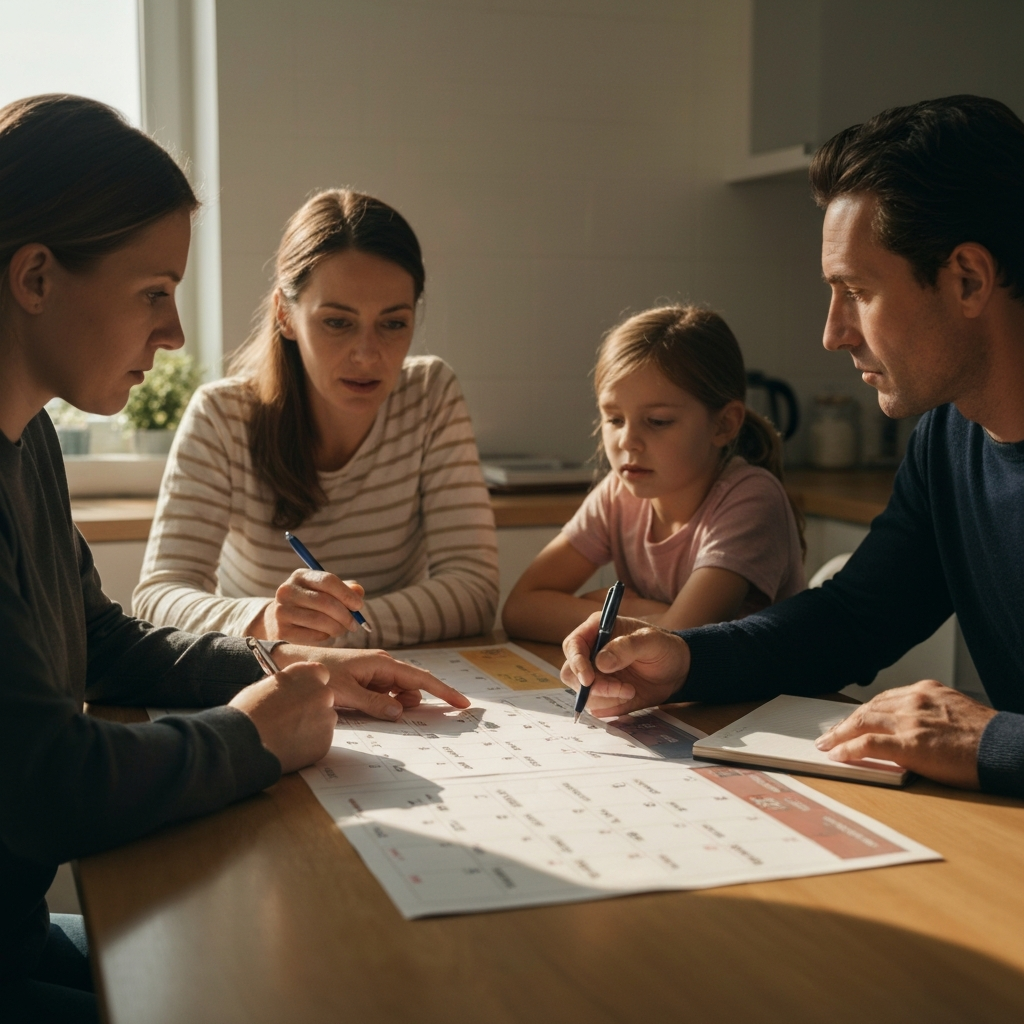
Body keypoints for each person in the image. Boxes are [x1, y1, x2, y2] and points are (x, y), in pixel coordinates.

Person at [0, 95, 469, 1023]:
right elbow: (46, 784)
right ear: (36, 277)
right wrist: (253, 733)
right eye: (153, 291)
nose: (173, 333)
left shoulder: (30, 440)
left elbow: (102, 637)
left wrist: (291, 667)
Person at [560, 95, 1024, 799]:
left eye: (856, 291)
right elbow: (852, 620)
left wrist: (993, 740)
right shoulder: (948, 440)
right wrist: (684, 659)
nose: (833, 333)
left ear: (967, 279)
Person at [132, 189, 499, 649]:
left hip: (395, 681)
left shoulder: (429, 395)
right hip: (273, 679)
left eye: (393, 323)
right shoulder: (222, 416)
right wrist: (265, 621)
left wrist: (336, 630)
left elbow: (474, 590)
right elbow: (157, 595)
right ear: (286, 316)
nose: (368, 355)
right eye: (337, 322)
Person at [502, 305, 805, 644]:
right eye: (614, 419)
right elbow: (520, 609)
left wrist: (606, 611)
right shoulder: (619, 493)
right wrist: (647, 616)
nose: (627, 441)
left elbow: (679, 639)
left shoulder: (751, 498)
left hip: (768, 697)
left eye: (658, 421)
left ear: (724, 424)